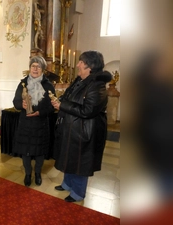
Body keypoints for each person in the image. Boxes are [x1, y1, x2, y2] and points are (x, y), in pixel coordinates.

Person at [51, 50, 112, 202]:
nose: (77, 64)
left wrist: (62, 106)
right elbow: (69, 99)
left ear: (89, 66)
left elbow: (88, 110)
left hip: (85, 132)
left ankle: (77, 193)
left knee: (79, 163)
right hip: (72, 128)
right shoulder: (81, 80)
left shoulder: (97, 86)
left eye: (81, 62)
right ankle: (67, 184)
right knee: (68, 158)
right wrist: (59, 102)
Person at [12, 56, 56, 186]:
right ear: (30, 68)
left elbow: (52, 107)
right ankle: (27, 174)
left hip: (40, 123)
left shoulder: (48, 85)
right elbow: (15, 101)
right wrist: (22, 105)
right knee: (25, 150)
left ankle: (37, 174)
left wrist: (40, 112)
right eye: (33, 66)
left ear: (43, 69)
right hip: (25, 123)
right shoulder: (22, 83)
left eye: (38, 66)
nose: (35, 69)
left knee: (39, 152)